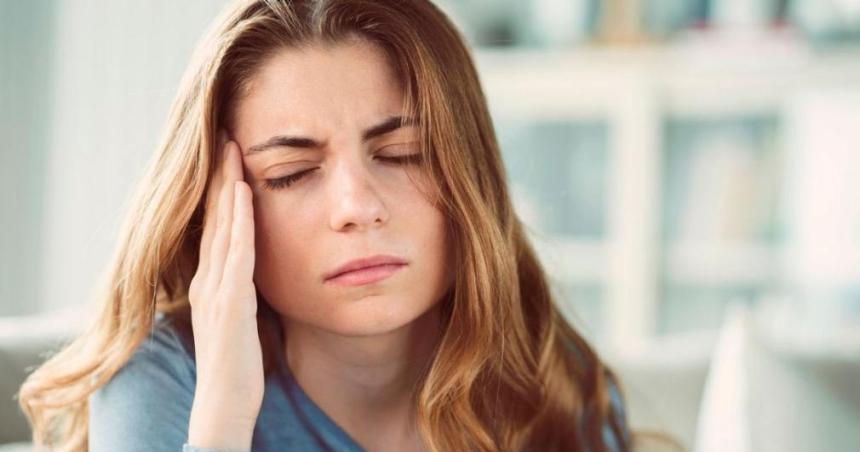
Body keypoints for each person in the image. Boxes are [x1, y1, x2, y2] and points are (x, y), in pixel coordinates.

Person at [18, 1, 633, 450]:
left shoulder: (548, 378)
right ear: (216, 207)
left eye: (403, 154)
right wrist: (224, 419)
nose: (356, 207)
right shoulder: (162, 377)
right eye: (290, 172)